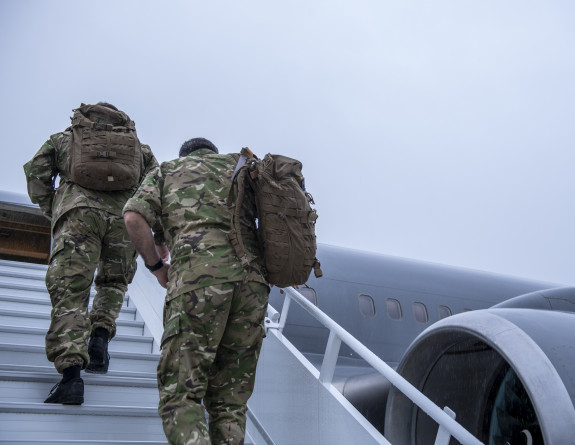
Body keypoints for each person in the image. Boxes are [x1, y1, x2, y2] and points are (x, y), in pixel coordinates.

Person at [123, 137, 269, 445]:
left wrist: (156, 267)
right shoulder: (241, 168)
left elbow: (134, 218)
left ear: (185, 156)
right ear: (212, 153)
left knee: (181, 396)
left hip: (197, 283)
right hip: (253, 288)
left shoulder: (168, 171)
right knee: (230, 404)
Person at [23, 102, 160, 405]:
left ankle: (71, 376)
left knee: (71, 290)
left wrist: (55, 209)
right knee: (113, 282)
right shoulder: (138, 148)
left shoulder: (66, 138)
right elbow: (155, 186)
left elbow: (36, 174)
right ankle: (99, 338)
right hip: (123, 220)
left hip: (79, 216)